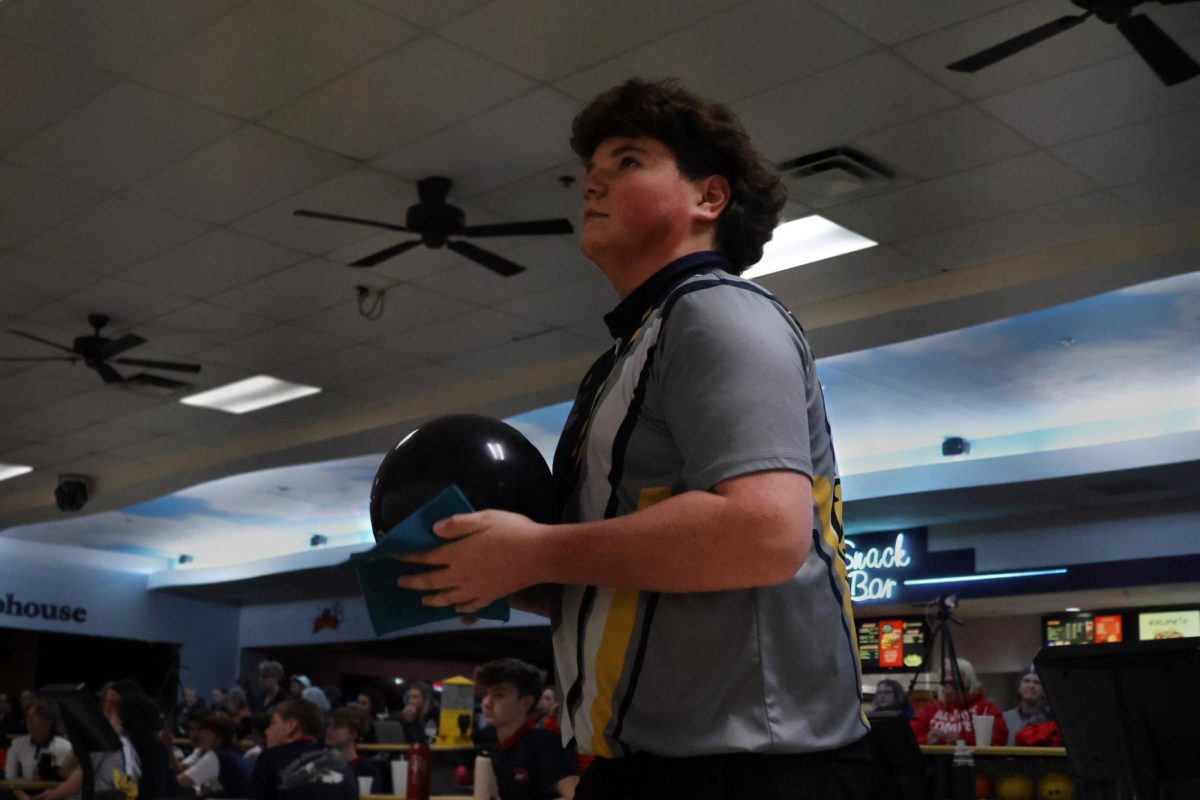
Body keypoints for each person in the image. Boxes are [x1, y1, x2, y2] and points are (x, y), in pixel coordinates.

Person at [396, 77, 870, 799]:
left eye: (627, 161)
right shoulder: (633, 352)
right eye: (593, 168)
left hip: (752, 776)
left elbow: (763, 533)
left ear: (708, 199)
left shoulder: (718, 313)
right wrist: (496, 570)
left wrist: (534, 549)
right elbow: (638, 580)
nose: (593, 180)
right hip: (651, 771)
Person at [476, 659, 576, 800]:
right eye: (485, 694)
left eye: (499, 695)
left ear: (526, 703)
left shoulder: (544, 744)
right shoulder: (496, 747)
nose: (487, 702)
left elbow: (575, 794)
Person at [248, 699, 354, 800]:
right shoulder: (341, 760)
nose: (267, 731)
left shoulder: (270, 758)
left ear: (291, 726)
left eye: (273, 723)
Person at [910, 658, 1007, 746]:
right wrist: (927, 739)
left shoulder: (986, 708)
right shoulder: (930, 709)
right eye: (946, 680)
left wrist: (962, 740)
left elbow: (999, 739)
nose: (950, 683)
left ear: (969, 682)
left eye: (955, 678)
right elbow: (908, 738)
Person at [177, 715, 251, 798]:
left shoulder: (215, 757)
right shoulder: (233, 754)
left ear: (219, 739)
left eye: (206, 734)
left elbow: (181, 781)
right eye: (201, 733)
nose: (200, 737)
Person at [5, 701, 72, 780]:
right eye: (28, 715)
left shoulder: (65, 747)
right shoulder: (16, 744)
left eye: (35, 715)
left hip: (56, 791)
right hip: (23, 790)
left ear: (48, 720)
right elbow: (10, 779)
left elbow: (69, 780)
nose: (29, 719)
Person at [324, 708, 381, 794]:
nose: (328, 731)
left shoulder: (367, 771)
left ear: (353, 734)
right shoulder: (319, 766)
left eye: (335, 728)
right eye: (329, 726)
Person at [1002, 666, 1046, 745]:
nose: (1031, 686)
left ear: (1043, 690)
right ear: (1019, 687)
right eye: (1026, 681)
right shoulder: (1006, 718)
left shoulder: (1048, 718)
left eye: (1036, 682)